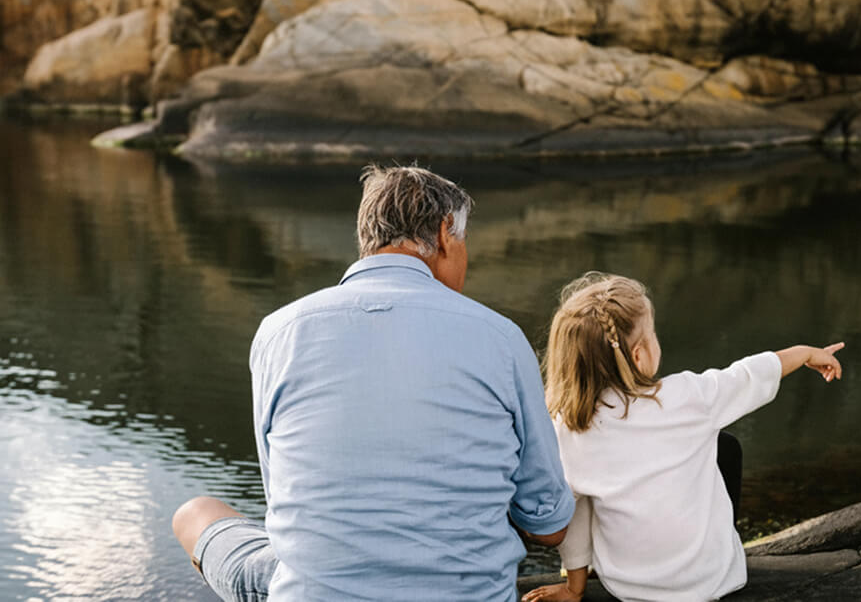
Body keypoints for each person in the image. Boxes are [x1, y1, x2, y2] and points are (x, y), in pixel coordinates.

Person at [173, 165, 575, 602]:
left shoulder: (278, 331)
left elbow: (283, 498)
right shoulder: (501, 337)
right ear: (445, 235)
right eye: (463, 243)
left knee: (195, 514)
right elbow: (549, 525)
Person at [522, 273, 844, 602]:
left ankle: (577, 580)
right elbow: (748, 375)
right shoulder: (687, 397)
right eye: (652, 334)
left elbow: (567, 513)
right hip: (712, 581)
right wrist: (805, 353)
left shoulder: (566, 427)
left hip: (628, 587)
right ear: (637, 356)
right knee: (722, 447)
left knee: (576, 493)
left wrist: (575, 589)